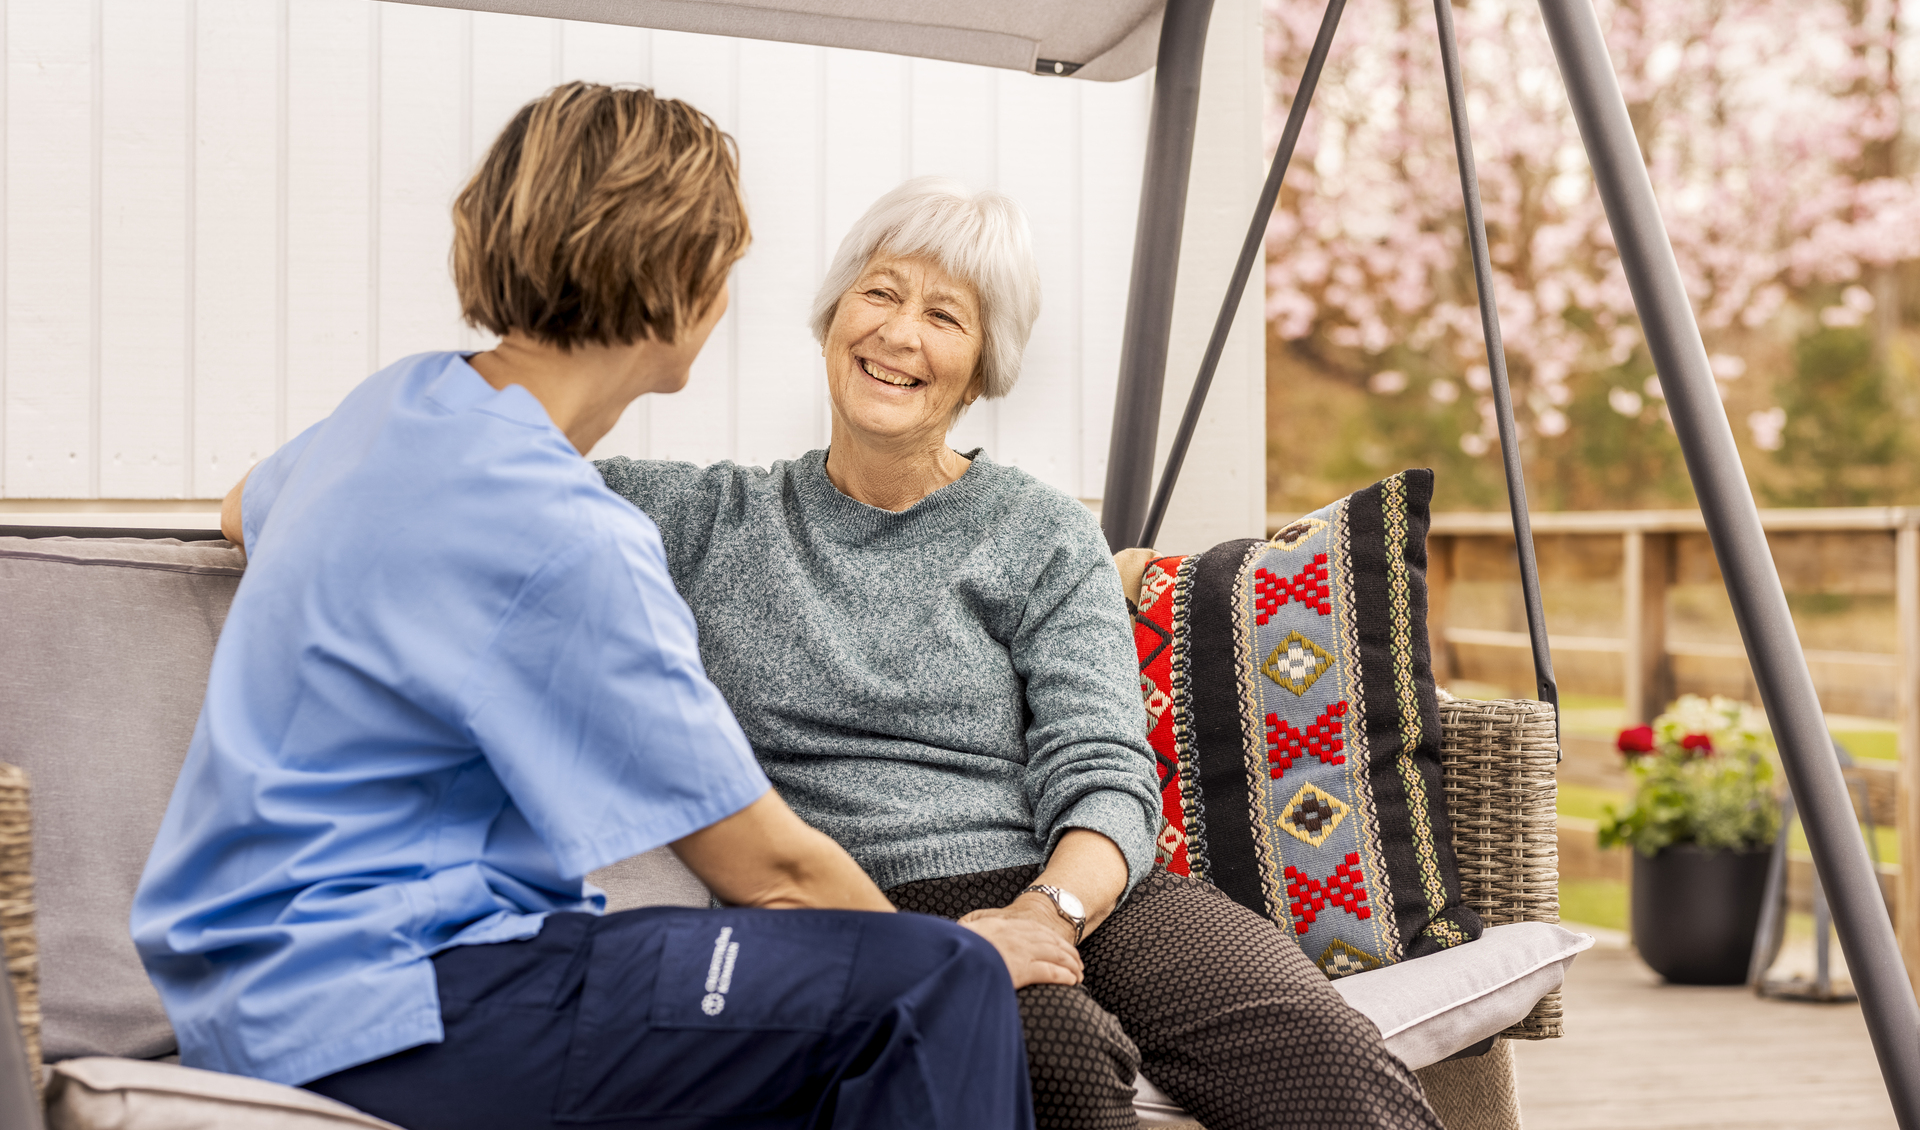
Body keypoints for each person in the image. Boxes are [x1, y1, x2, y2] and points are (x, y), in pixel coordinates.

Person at [137, 86, 1037, 1130]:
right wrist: (949, 953)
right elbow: (775, 872)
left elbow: (243, 505)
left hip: (245, 990)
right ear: (680, 284)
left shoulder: (404, 399)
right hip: (390, 1008)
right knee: (935, 989)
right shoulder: (563, 535)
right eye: (728, 264)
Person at [593, 177, 1448, 1130]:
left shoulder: (1038, 531)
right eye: (879, 293)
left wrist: (1049, 909)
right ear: (833, 314)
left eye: (945, 316)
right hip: (863, 901)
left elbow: (1105, 765)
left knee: (1319, 1051)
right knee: (1053, 1056)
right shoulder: (709, 519)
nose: (900, 334)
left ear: (980, 367)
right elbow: (497, 458)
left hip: (1075, 880)